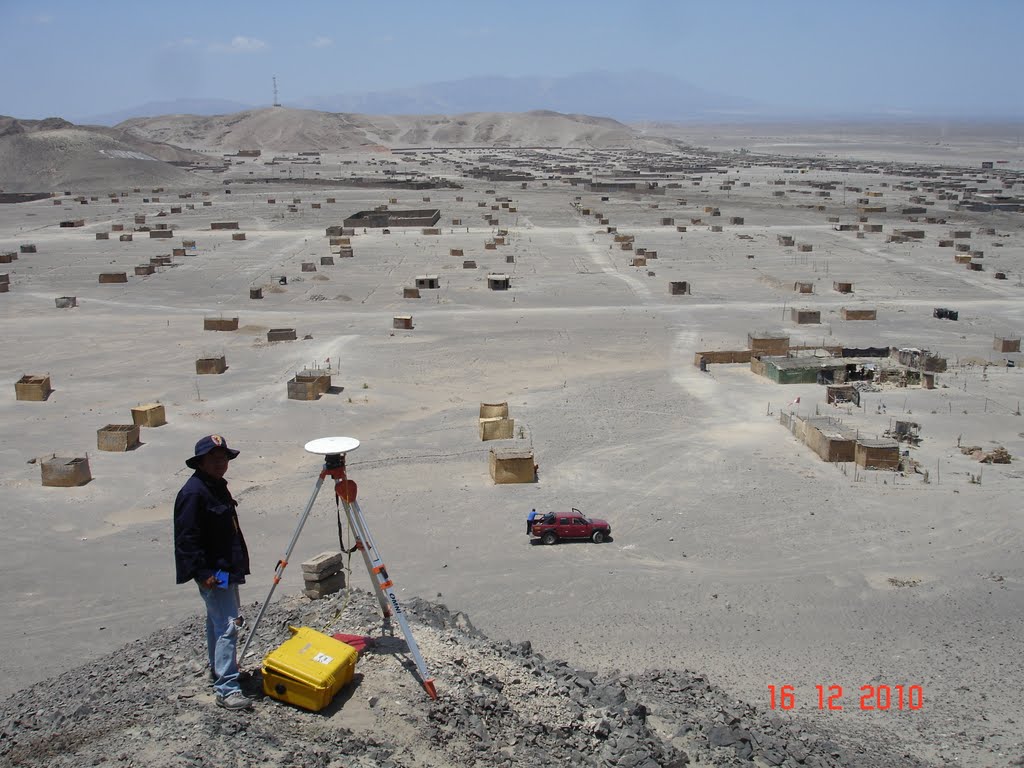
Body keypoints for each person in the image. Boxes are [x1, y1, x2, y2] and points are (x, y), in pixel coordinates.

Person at [174, 435, 252, 711]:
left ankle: (220, 671)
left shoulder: (216, 487)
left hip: (226, 569)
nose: (221, 464)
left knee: (217, 621)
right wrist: (202, 572)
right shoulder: (194, 493)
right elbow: (186, 539)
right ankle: (227, 688)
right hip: (212, 572)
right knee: (229, 624)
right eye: (214, 459)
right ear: (201, 462)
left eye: (223, 459)